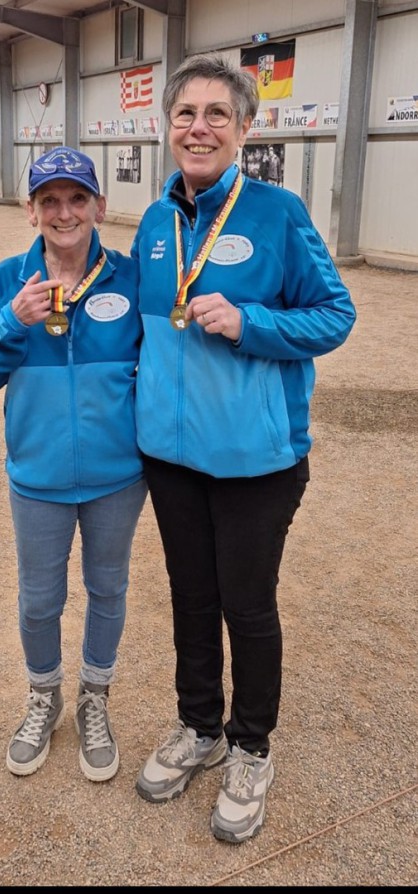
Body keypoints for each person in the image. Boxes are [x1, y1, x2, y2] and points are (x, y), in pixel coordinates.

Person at [131, 54, 356, 843]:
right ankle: (200, 726)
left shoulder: (278, 212)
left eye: (216, 114)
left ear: (245, 128)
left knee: (246, 605)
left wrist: (251, 322)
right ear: (168, 127)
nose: (199, 128)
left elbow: (335, 314)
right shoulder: (154, 222)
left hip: (256, 461)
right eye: (185, 114)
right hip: (171, 457)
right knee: (190, 597)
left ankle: (251, 745)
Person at [0, 147, 147, 782]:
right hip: (37, 478)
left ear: (99, 206)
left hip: (118, 477)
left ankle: (95, 697)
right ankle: (44, 697)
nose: (64, 213)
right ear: (31, 210)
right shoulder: (7, 280)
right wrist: (12, 323)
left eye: (77, 199)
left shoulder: (130, 279)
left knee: (108, 588)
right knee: (40, 599)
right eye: (50, 201)